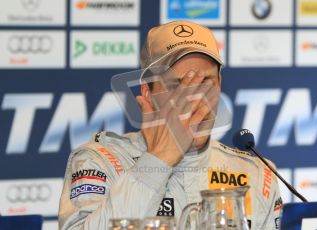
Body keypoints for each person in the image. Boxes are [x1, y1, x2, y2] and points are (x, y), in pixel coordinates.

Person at [58, 20, 282, 229]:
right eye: (176, 84)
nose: (193, 98)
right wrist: (158, 160)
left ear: (220, 85)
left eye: (205, 82)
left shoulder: (257, 173)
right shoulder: (99, 162)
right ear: (148, 92)